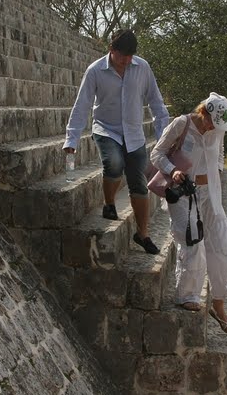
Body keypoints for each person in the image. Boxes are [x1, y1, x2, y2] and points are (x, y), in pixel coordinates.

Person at [64, 29, 170, 254]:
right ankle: (110, 202)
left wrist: (163, 138)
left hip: (134, 134)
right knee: (113, 163)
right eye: (122, 56)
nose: (126, 61)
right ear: (111, 50)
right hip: (106, 129)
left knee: (140, 184)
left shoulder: (142, 68)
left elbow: (156, 103)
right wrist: (71, 138)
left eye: (130, 56)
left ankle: (143, 234)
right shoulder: (95, 71)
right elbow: (82, 104)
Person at [151, 92, 227, 334]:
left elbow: (219, 154)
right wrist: (173, 170)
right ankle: (188, 295)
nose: (212, 127)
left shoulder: (217, 131)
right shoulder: (182, 123)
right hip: (181, 192)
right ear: (203, 112)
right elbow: (157, 153)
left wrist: (216, 171)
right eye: (210, 121)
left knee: (222, 242)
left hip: (209, 193)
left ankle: (218, 303)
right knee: (192, 242)